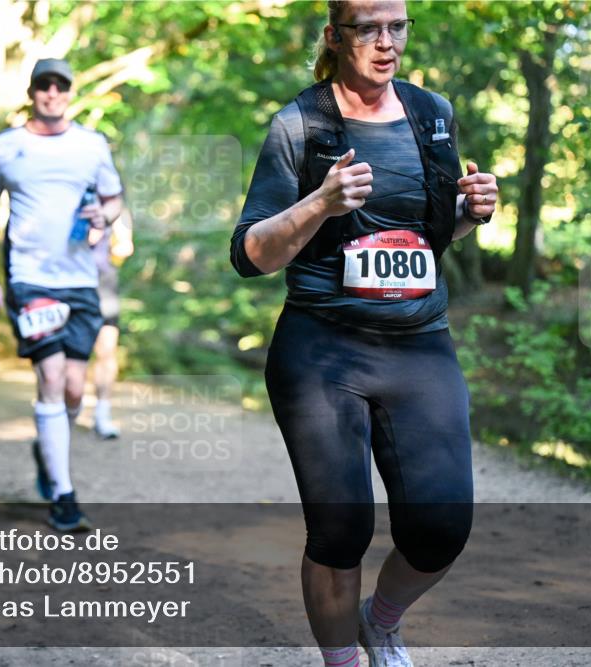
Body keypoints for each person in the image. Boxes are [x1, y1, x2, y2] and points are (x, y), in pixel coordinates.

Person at [230, 2, 499, 666]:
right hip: (324, 350)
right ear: (336, 36)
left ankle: (381, 621)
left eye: (397, 27)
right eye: (369, 28)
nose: (386, 43)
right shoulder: (299, 125)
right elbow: (252, 255)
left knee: (441, 528)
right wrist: (320, 201)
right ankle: (342, 661)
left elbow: (431, 236)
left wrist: (471, 211)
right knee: (340, 530)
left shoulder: (430, 114)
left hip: (418, 344)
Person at [0, 58, 125, 531]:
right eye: (45, 85)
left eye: (61, 86)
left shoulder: (91, 146)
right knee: (51, 379)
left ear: (70, 93)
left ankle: (47, 448)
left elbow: (113, 198)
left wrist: (107, 217)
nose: (53, 93)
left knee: (75, 390)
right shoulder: (5, 147)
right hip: (30, 278)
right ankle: (64, 496)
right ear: (33, 92)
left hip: (80, 280)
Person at [88, 209, 134, 439]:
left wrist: (119, 244)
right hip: (67, 281)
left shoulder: (117, 207)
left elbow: (126, 246)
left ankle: (102, 413)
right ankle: (62, 404)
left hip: (104, 282)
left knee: (107, 350)